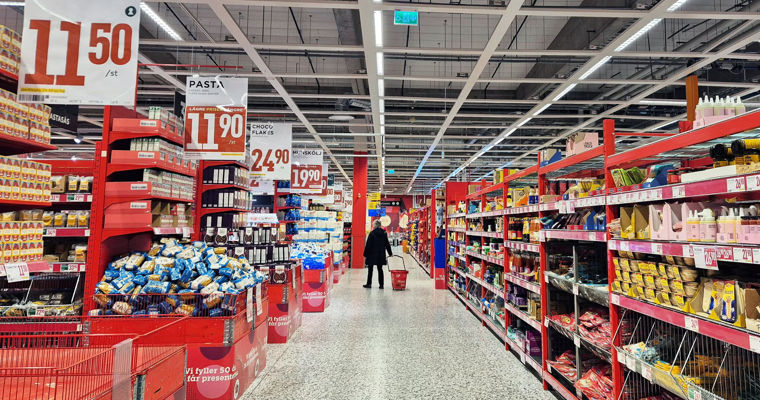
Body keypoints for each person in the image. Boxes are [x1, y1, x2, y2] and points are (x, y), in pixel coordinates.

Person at [363, 219, 392, 289]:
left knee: (370, 269)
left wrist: (365, 254)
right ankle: (381, 285)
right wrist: (390, 253)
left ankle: (369, 284)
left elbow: (368, 245)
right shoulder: (384, 233)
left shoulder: (372, 233)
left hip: (371, 254)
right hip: (380, 254)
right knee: (380, 269)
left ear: (375, 225)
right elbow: (387, 244)